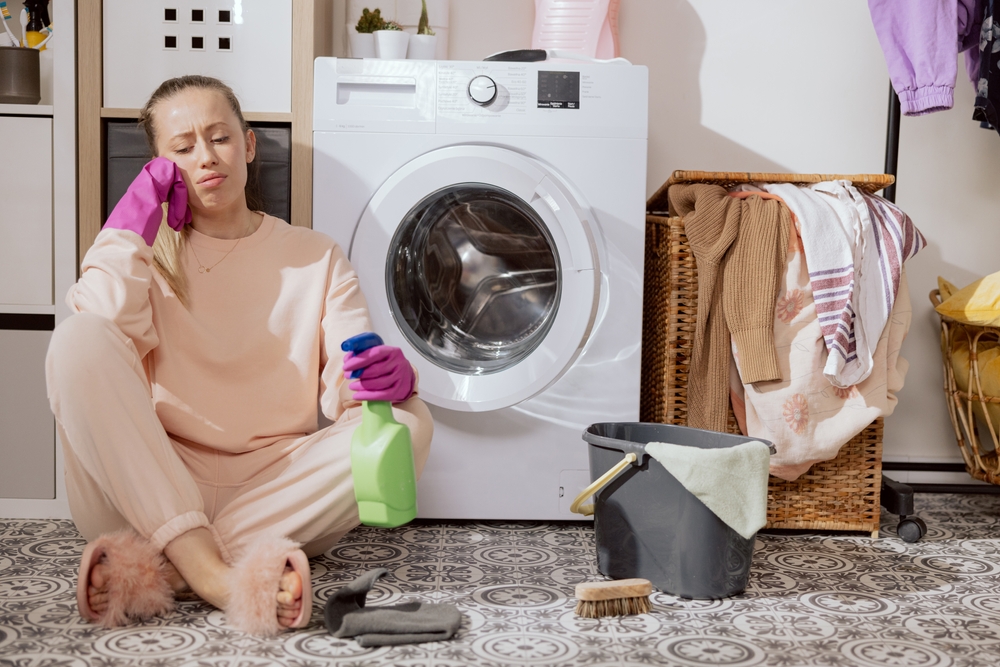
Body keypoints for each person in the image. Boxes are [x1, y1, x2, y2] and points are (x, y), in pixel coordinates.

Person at [45, 75, 433, 636]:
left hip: (277, 484)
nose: (205, 157)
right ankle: (218, 578)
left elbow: (350, 389)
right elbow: (96, 327)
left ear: (249, 145)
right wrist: (131, 220)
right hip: (149, 478)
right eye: (181, 149)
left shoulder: (315, 255)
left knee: (411, 421)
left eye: (219, 137)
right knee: (77, 337)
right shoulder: (142, 257)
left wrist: (388, 381)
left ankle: (163, 569)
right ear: (158, 169)